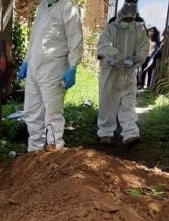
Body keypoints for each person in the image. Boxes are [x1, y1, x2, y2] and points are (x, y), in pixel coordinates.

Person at [18, 0, 83, 152]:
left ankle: (54, 151)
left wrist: (73, 66)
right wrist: (27, 61)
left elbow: (75, 39)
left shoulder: (68, 7)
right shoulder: (43, 6)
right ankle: (34, 151)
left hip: (54, 69)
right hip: (34, 68)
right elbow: (35, 37)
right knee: (32, 112)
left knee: (53, 114)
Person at [96, 1, 149, 147]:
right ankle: (105, 133)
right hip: (111, 70)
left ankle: (130, 133)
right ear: (120, 17)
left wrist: (137, 58)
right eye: (126, 19)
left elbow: (144, 48)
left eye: (130, 20)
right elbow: (102, 46)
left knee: (128, 101)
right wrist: (115, 55)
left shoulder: (139, 30)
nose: (128, 22)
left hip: (128, 71)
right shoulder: (111, 28)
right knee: (108, 101)